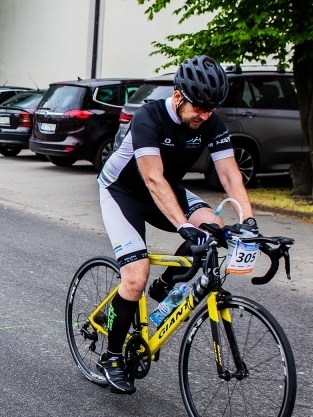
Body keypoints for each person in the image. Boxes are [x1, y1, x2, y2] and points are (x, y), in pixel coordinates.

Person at [96, 55, 258, 394]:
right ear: (179, 95)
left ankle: (166, 284)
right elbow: (153, 178)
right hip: (123, 191)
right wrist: (183, 225)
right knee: (135, 275)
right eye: (199, 107)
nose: (204, 115)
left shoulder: (210, 121)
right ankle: (111, 356)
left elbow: (230, 174)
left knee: (212, 225)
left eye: (211, 109)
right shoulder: (149, 117)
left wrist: (250, 222)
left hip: (167, 189)